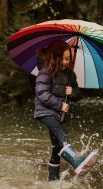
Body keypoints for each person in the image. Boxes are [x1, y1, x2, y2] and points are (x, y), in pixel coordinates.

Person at [34, 40, 98, 181]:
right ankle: (76, 161)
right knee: (62, 133)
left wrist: (72, 92)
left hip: (58, 114)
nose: (67, 62)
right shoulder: (45, 71)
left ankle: (53, 179)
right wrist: (60, 105)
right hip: (45, 112)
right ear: (56, 58)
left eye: (69, 58)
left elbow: (77, 94)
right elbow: (41, 93)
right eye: (64, 58)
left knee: (56, 146)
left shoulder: (70, 74)